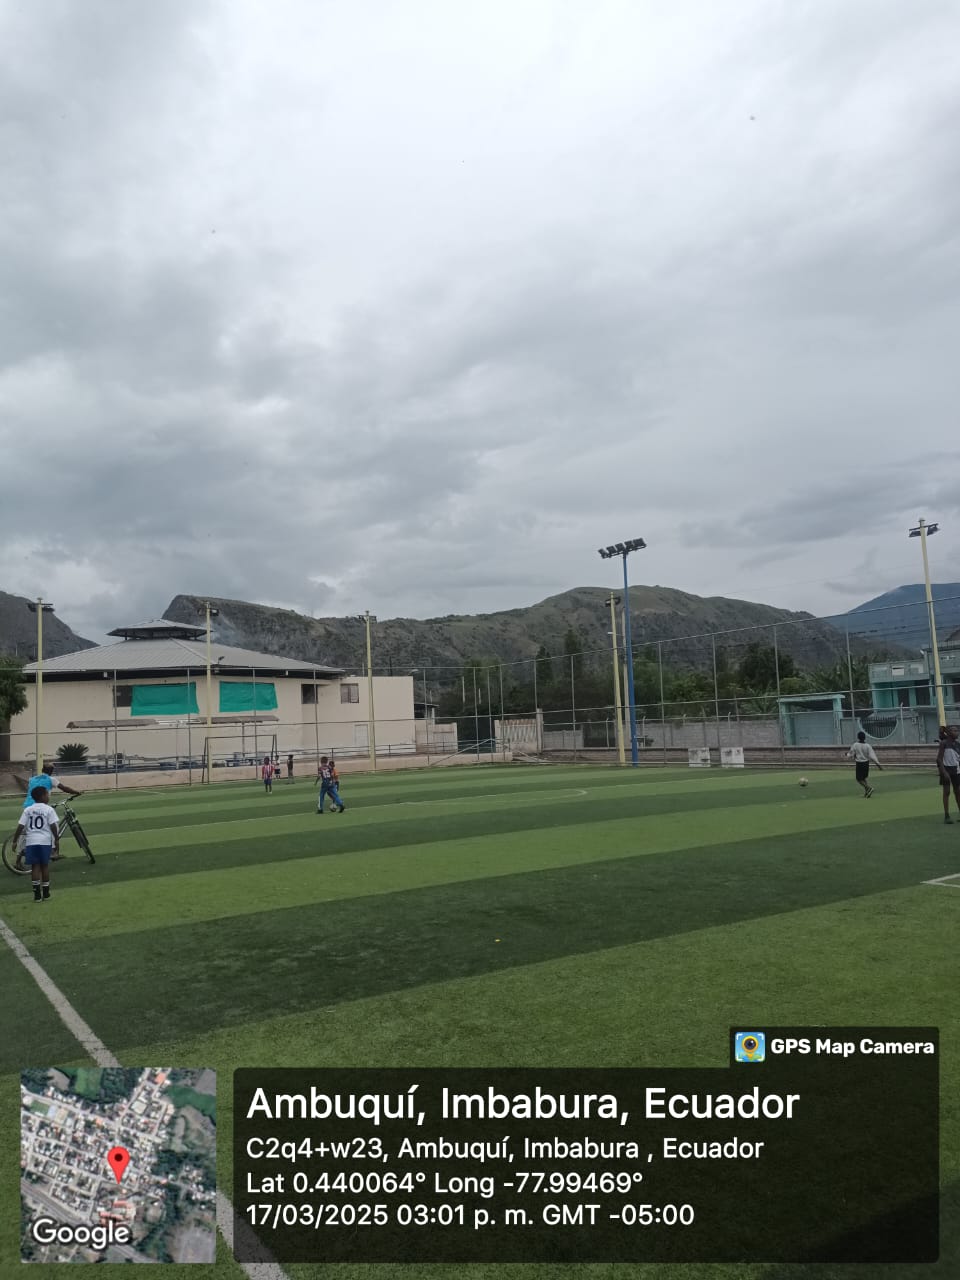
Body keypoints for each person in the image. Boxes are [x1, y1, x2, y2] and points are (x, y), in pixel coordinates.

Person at [11, 785, 59, 901]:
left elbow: (20, 826)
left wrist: (15, 841)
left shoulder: (28, 810)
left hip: (31, 842)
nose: (48, 796)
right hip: (44, 842)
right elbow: (53, 825)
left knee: (35, 867)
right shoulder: (49, 809)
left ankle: (37, 895)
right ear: (42, 796)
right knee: (44, 866)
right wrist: (56, 839)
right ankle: (46, 894)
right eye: (47, 794)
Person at [15, 768, 81, 808]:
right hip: (41, 806)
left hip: (27, 805)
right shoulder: (51, 779)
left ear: (42, 770)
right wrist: (77, 792)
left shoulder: (32, 779)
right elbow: (64, 788)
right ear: (51, 772)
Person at [847, 731, 882, 797]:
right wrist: (878, 765)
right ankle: (867, 793)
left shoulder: (855, 745)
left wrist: (847, 755)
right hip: (866, 763)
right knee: (863, 778)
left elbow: (851, 753)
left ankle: (869, 788)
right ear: (865, 738)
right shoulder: (868, 746)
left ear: (858, 737)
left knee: (859, 779)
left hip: (859, 763)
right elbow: (872, 756)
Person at [937, 725, 960, 824]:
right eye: (954, 731)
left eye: (957, 731)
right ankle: (947, 816)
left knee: (958, 792)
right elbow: (939, 759)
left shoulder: (958, 744)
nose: (957, 732)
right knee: (947, 792)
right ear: (949, 733)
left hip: (956, 770)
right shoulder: (944, 743)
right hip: (946, 770)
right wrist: (943, 772)